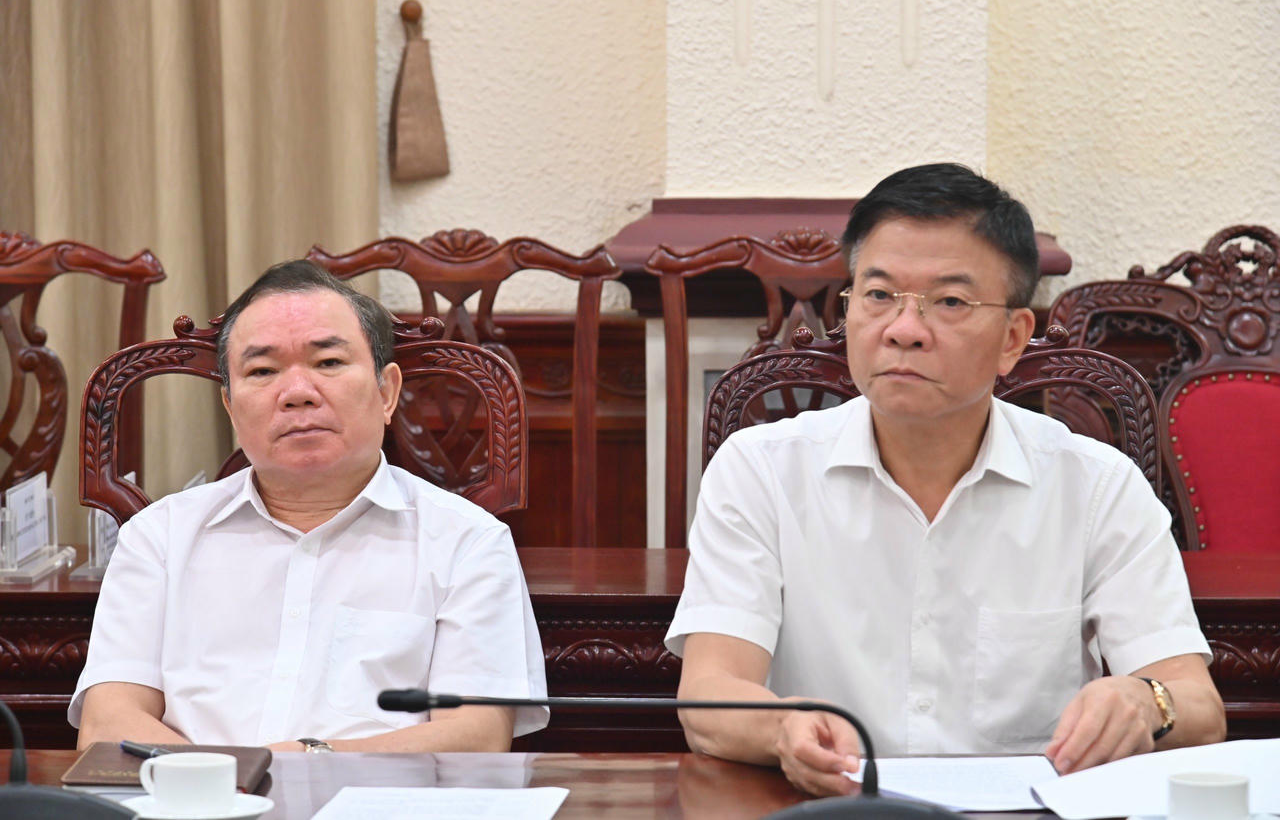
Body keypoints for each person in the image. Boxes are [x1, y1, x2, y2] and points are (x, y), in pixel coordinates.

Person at [665, 164, 1226, 796]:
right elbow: (709, 695)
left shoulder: (1097, 487)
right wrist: (781, 729)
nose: (903, 329)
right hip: (832, 807)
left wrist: (1145, 702)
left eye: (951, 302)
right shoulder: (761, 470)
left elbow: (1198, 705)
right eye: (879, 295)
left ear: (1013, 338)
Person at [71, 260, 547, 752]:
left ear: (387, 392)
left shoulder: (467, 542)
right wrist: (228, 782)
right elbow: (108, 726)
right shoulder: (159, 536)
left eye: (329, 363)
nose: (298, 394)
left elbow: (476, 738)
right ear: (231, 408)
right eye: (262, 371)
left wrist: (306, 761)